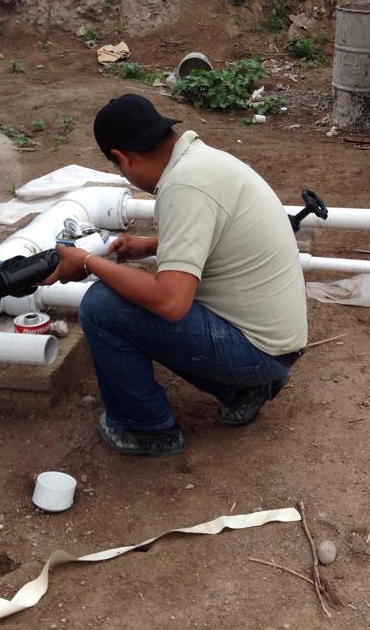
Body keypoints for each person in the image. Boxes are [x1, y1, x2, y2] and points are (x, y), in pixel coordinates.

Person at [44, 94, 308, 457]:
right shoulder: (201, 162)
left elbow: (170, 302)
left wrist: (88, 262)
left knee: (103, 306)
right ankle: (242, 390)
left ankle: (146, 428)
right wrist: (154, 244)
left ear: (122, 158)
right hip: (276, 344)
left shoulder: (184, 186)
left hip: (258, 351)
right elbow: (221, 233)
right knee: (136, 298)